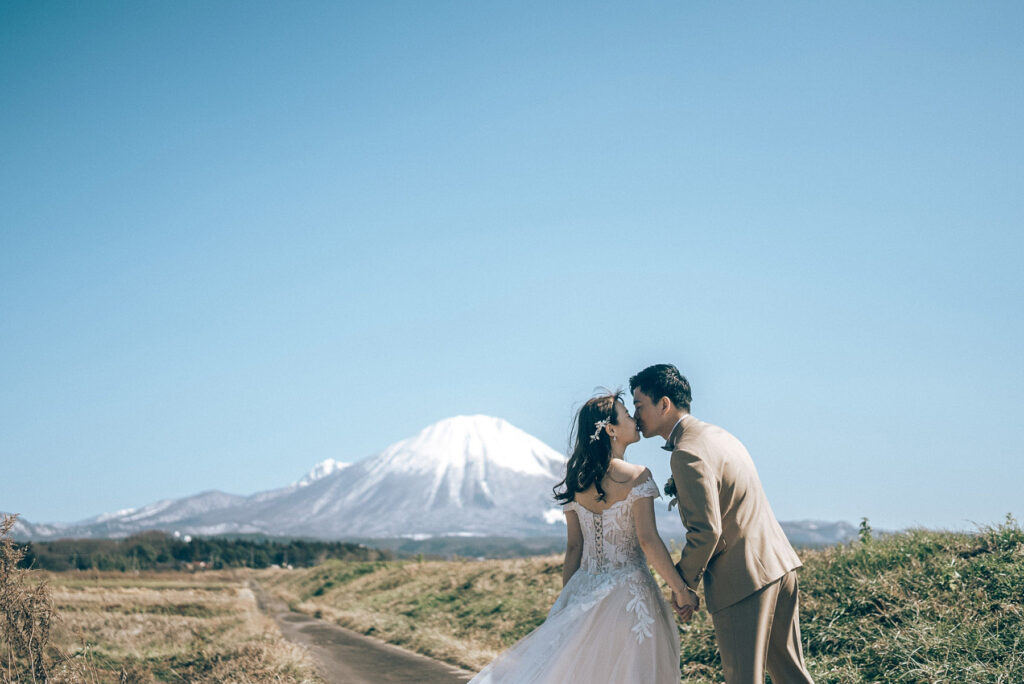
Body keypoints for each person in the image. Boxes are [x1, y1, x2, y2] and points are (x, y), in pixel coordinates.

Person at [468, 391, 691, 683]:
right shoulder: (637, 476)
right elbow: (648, 540)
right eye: (626, 415)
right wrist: (680, 588)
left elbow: (574, 547)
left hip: (584, 589)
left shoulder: (577, 482)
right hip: (629, 596)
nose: (634, 419)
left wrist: (568, 602)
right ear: (610, 429)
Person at [630, 363, 815, 684]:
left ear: (664, 404)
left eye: (639, 406)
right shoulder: (718, 435)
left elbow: (707, 532)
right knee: (792, 675)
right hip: (778, 566)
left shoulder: (686, 453)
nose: (635, 415)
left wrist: (682, 586)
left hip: (742, 581)